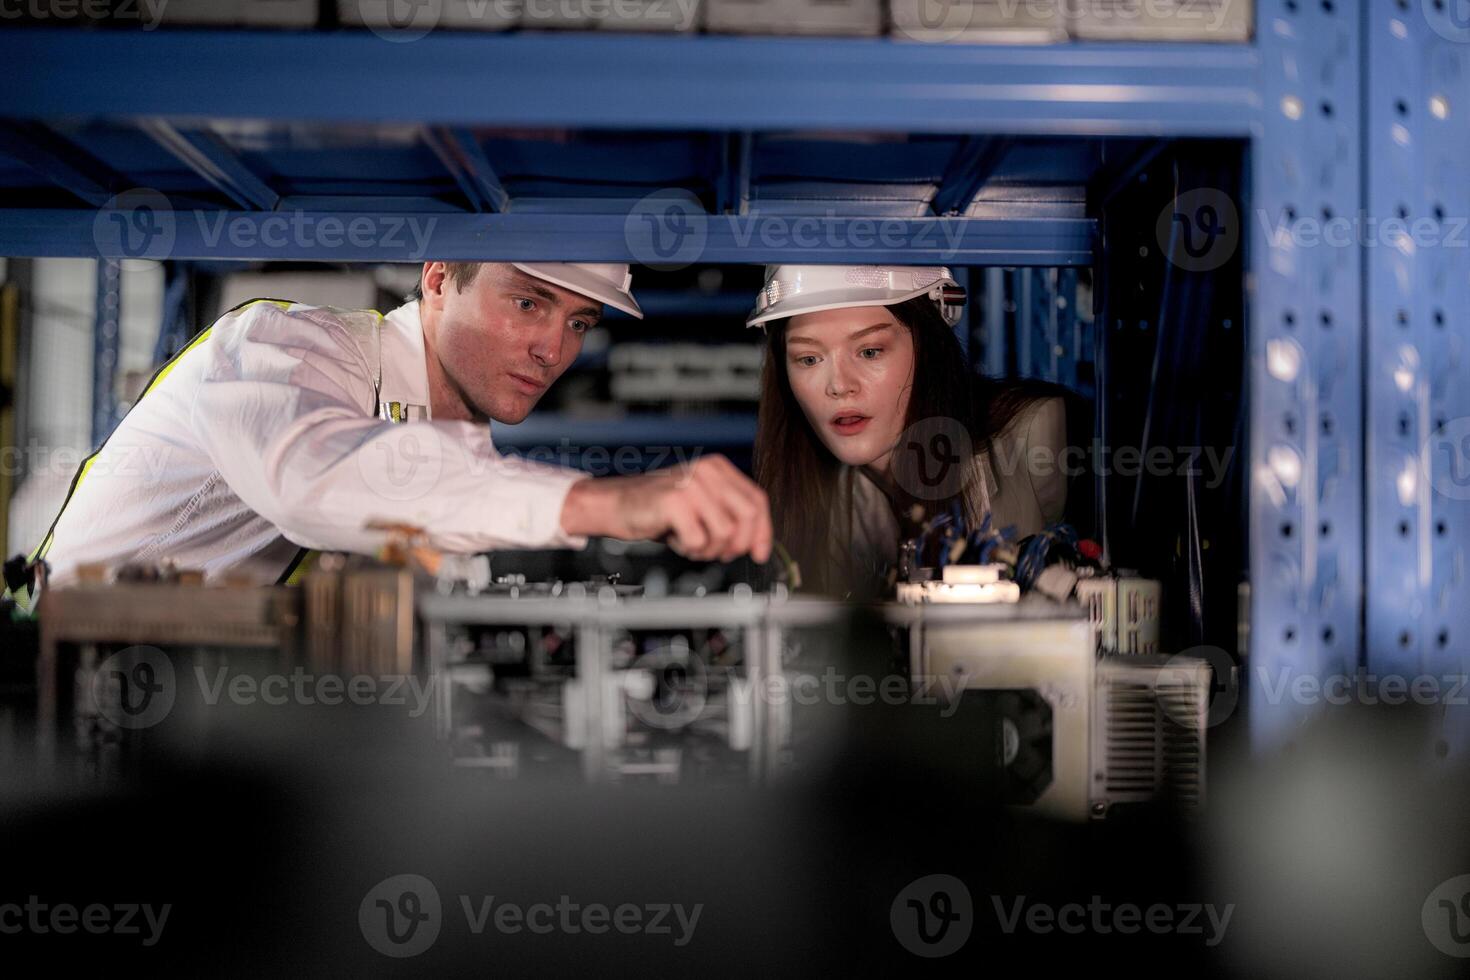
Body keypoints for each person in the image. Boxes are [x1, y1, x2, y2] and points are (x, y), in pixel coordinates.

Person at [6, 261, 771, 609]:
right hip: (65, 690)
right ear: (438, 280)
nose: (553, 350)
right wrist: (610, 503)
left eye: (578, 323)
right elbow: (316, 481)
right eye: (529, 304)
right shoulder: (284, 345)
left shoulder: (449, 437)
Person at [748, 264, 1072, 596]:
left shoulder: (1039, 436)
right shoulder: (821, 497)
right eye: (809, 359)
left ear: (929, 346)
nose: (839, 385)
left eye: (870, 351)